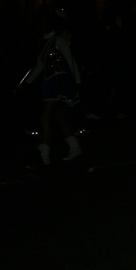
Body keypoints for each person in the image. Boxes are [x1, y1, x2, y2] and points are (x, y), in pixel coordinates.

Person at [21, 10, 83, 164]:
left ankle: (44, 151)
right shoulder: (41, 41)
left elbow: (71, 62)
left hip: (58, 83)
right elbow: (40, 65)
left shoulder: (59, 40)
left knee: (45, 116)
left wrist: (78, 83)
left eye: (43, 22)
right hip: (48, 83)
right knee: (59, 116)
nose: (40, 25)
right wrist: (26, 83)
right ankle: (75, 147)